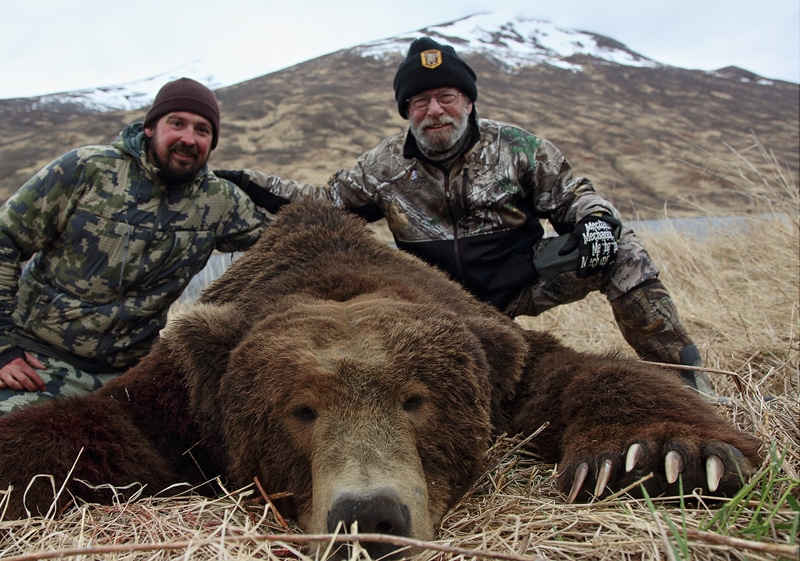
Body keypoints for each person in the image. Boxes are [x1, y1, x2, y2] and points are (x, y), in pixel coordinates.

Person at [215, 37, 715, 397]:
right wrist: (246, 180)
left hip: (523, 278)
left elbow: (575, 195)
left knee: (621, 251)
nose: (434, 110)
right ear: (406, 111)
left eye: (446, 97)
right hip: (439, 299)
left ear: (469, 102)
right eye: (419, 101)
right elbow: (320, 204)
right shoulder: (383, 166)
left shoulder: (518, 148)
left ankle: (682, 375)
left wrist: (597, 222)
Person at [0, 78, 271, 434]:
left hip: (135, 374)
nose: (189, 138)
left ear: (212, 143)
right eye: (177, 123)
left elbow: (284, 245)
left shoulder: (221, 201)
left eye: (202, 130)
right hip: (42, 362)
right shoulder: (86, 169)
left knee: (171, 475)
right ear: (149, 127)